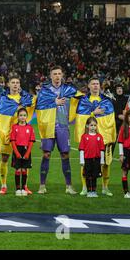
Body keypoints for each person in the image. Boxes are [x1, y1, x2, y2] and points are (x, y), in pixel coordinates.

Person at [36, 66, 79, 194]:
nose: (57, 76)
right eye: (54, 74)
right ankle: (42, 186)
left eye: (59, 73)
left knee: (65, 154)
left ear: (62, 75)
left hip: (62, 125)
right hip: (48, 125)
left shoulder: (68, 89)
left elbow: (81, 97)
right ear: (50, 76)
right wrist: (54, 101)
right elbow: (39, 104)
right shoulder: (45, 90)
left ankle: (69, 186)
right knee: (46, 154)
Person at [75, 77, 116, 196]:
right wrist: (93, 113)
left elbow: (111, 121)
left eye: (97, 84)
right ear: (88, 86)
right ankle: (85, 187)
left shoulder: (106, 101)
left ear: (100, 86)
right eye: (93, 84)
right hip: (89, 139)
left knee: (106, 163)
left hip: (104, 138)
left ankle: (105, 187)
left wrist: (109, 136)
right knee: (85, 163)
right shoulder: (84, 101)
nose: (95, 86)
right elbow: (80, 120)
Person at [0, 74, 35, 195]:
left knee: (24, 161)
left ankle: (24, 186)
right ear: (8, 84)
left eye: (17, 83)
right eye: (13, 82)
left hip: (22, 136)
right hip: (7, 134)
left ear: (20, 85)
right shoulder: (3, 99)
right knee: (4, 158)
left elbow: (37, 100)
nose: (15, 85)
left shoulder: (26, 99)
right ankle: (3, 185)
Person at [10, 108, 36, 196]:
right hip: (17, 150)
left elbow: (31, 141)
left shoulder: (30, 127)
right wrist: (16, 153)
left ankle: (23, 188)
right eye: (21, 115)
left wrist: (27, 153)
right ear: (17, 117)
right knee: (18, 169)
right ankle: (17, 189)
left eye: (24, 115)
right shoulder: (14, 127)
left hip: (26, 150)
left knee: (24, 169)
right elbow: (12, 141)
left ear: (27, 117)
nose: (22, 117)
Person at [79, 117, 105, 198]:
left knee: (94, 176)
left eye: (94, 125)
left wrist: (102, 160)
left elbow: (102, 149)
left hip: (96, 160)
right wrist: (82, 160)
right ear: (87, 126)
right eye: (91, 125)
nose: (93, 127)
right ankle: (88, 191)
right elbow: (82, 149)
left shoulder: (99, 136)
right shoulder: (84, 136)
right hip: (87, 160)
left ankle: (94, 191)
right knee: (88, 176)